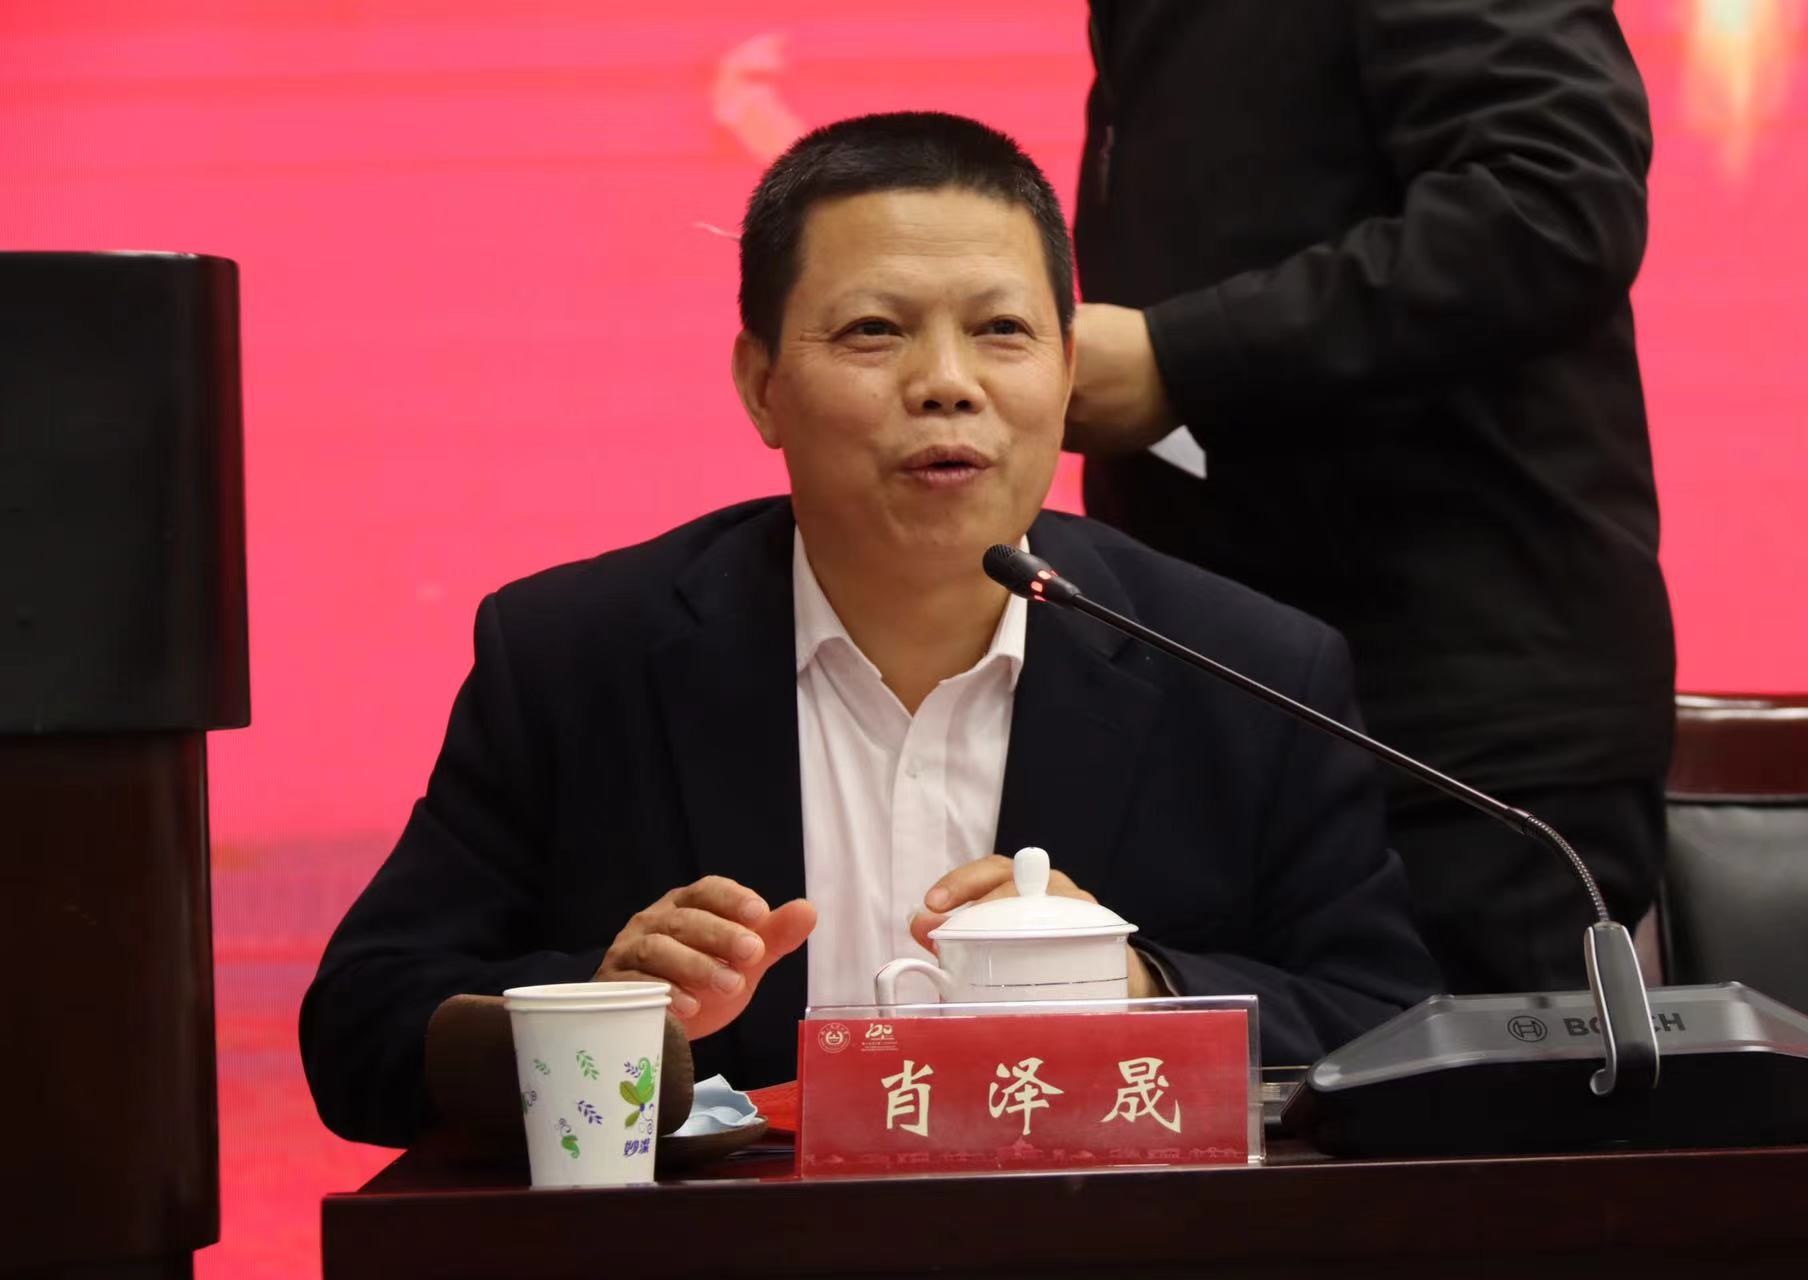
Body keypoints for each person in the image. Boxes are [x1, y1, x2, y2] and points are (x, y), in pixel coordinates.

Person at [300, 111, 1438, 1147]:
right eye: (874, 331)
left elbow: (1387, 1022)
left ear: (1066, 375)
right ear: (761, 384)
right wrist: (606, 1009)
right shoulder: (578, 658)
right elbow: (361, 1030)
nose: (946, 383)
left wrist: (1135, 989)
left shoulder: (1247, 669)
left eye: (1001, 330)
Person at [1065, 0, 1675, 994]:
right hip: (1239, 707)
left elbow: (1551, 207)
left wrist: (1180, 358)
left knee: (1467, 1091)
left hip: (1457, 723)